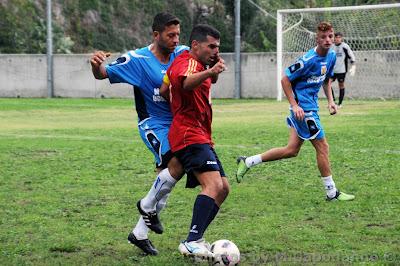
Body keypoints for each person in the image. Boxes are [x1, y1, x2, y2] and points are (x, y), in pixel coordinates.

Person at [90, 12, 188, 255]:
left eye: (178, 34)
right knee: (177, 163)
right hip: (153, 123)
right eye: (170, 35)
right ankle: (145, 209)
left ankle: (139, 233)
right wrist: (96, 65)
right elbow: (102, 73)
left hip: (179, 122)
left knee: (167, 180)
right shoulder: (137, 59)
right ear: (156, 35)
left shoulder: (183, 53)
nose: (176, 39)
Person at [236, 22, 355, 202]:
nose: (328, 40)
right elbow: (285, 79)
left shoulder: (331, 57)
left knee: (291, 150)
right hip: (303, 110)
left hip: (310, 107)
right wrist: (295, 105)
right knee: (323, 147)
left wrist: (331, 101)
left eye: (330, 36)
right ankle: (332, 193)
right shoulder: (308, 60)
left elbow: (326, 81)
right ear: (317, 39)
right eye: (323, 37)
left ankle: (248, 161)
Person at [162, 24, 229, 260]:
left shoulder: (199, 65)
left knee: (223, 189)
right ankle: (191, 242)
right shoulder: (188, 62)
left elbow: (165, 89)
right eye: (211, 46)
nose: (214, 50)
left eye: (217, 47)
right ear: (195, 45)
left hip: (200, 134)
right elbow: (186, 83)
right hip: (189, 134)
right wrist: (210, 72)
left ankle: (197, 238)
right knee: (213, 186)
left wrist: (212, 69)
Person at [331, 32, 356, 107]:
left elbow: (351, 56)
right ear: (334, 38)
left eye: (339, 37)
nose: (337, 39)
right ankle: (332, 101)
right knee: (327, 84)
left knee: (341, 85)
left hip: (341, 70)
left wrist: (353, 65)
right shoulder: (331, 47)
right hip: (332, 70)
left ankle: (340, 103)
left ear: (341, 38)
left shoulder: (345, 46)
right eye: (336, 37)